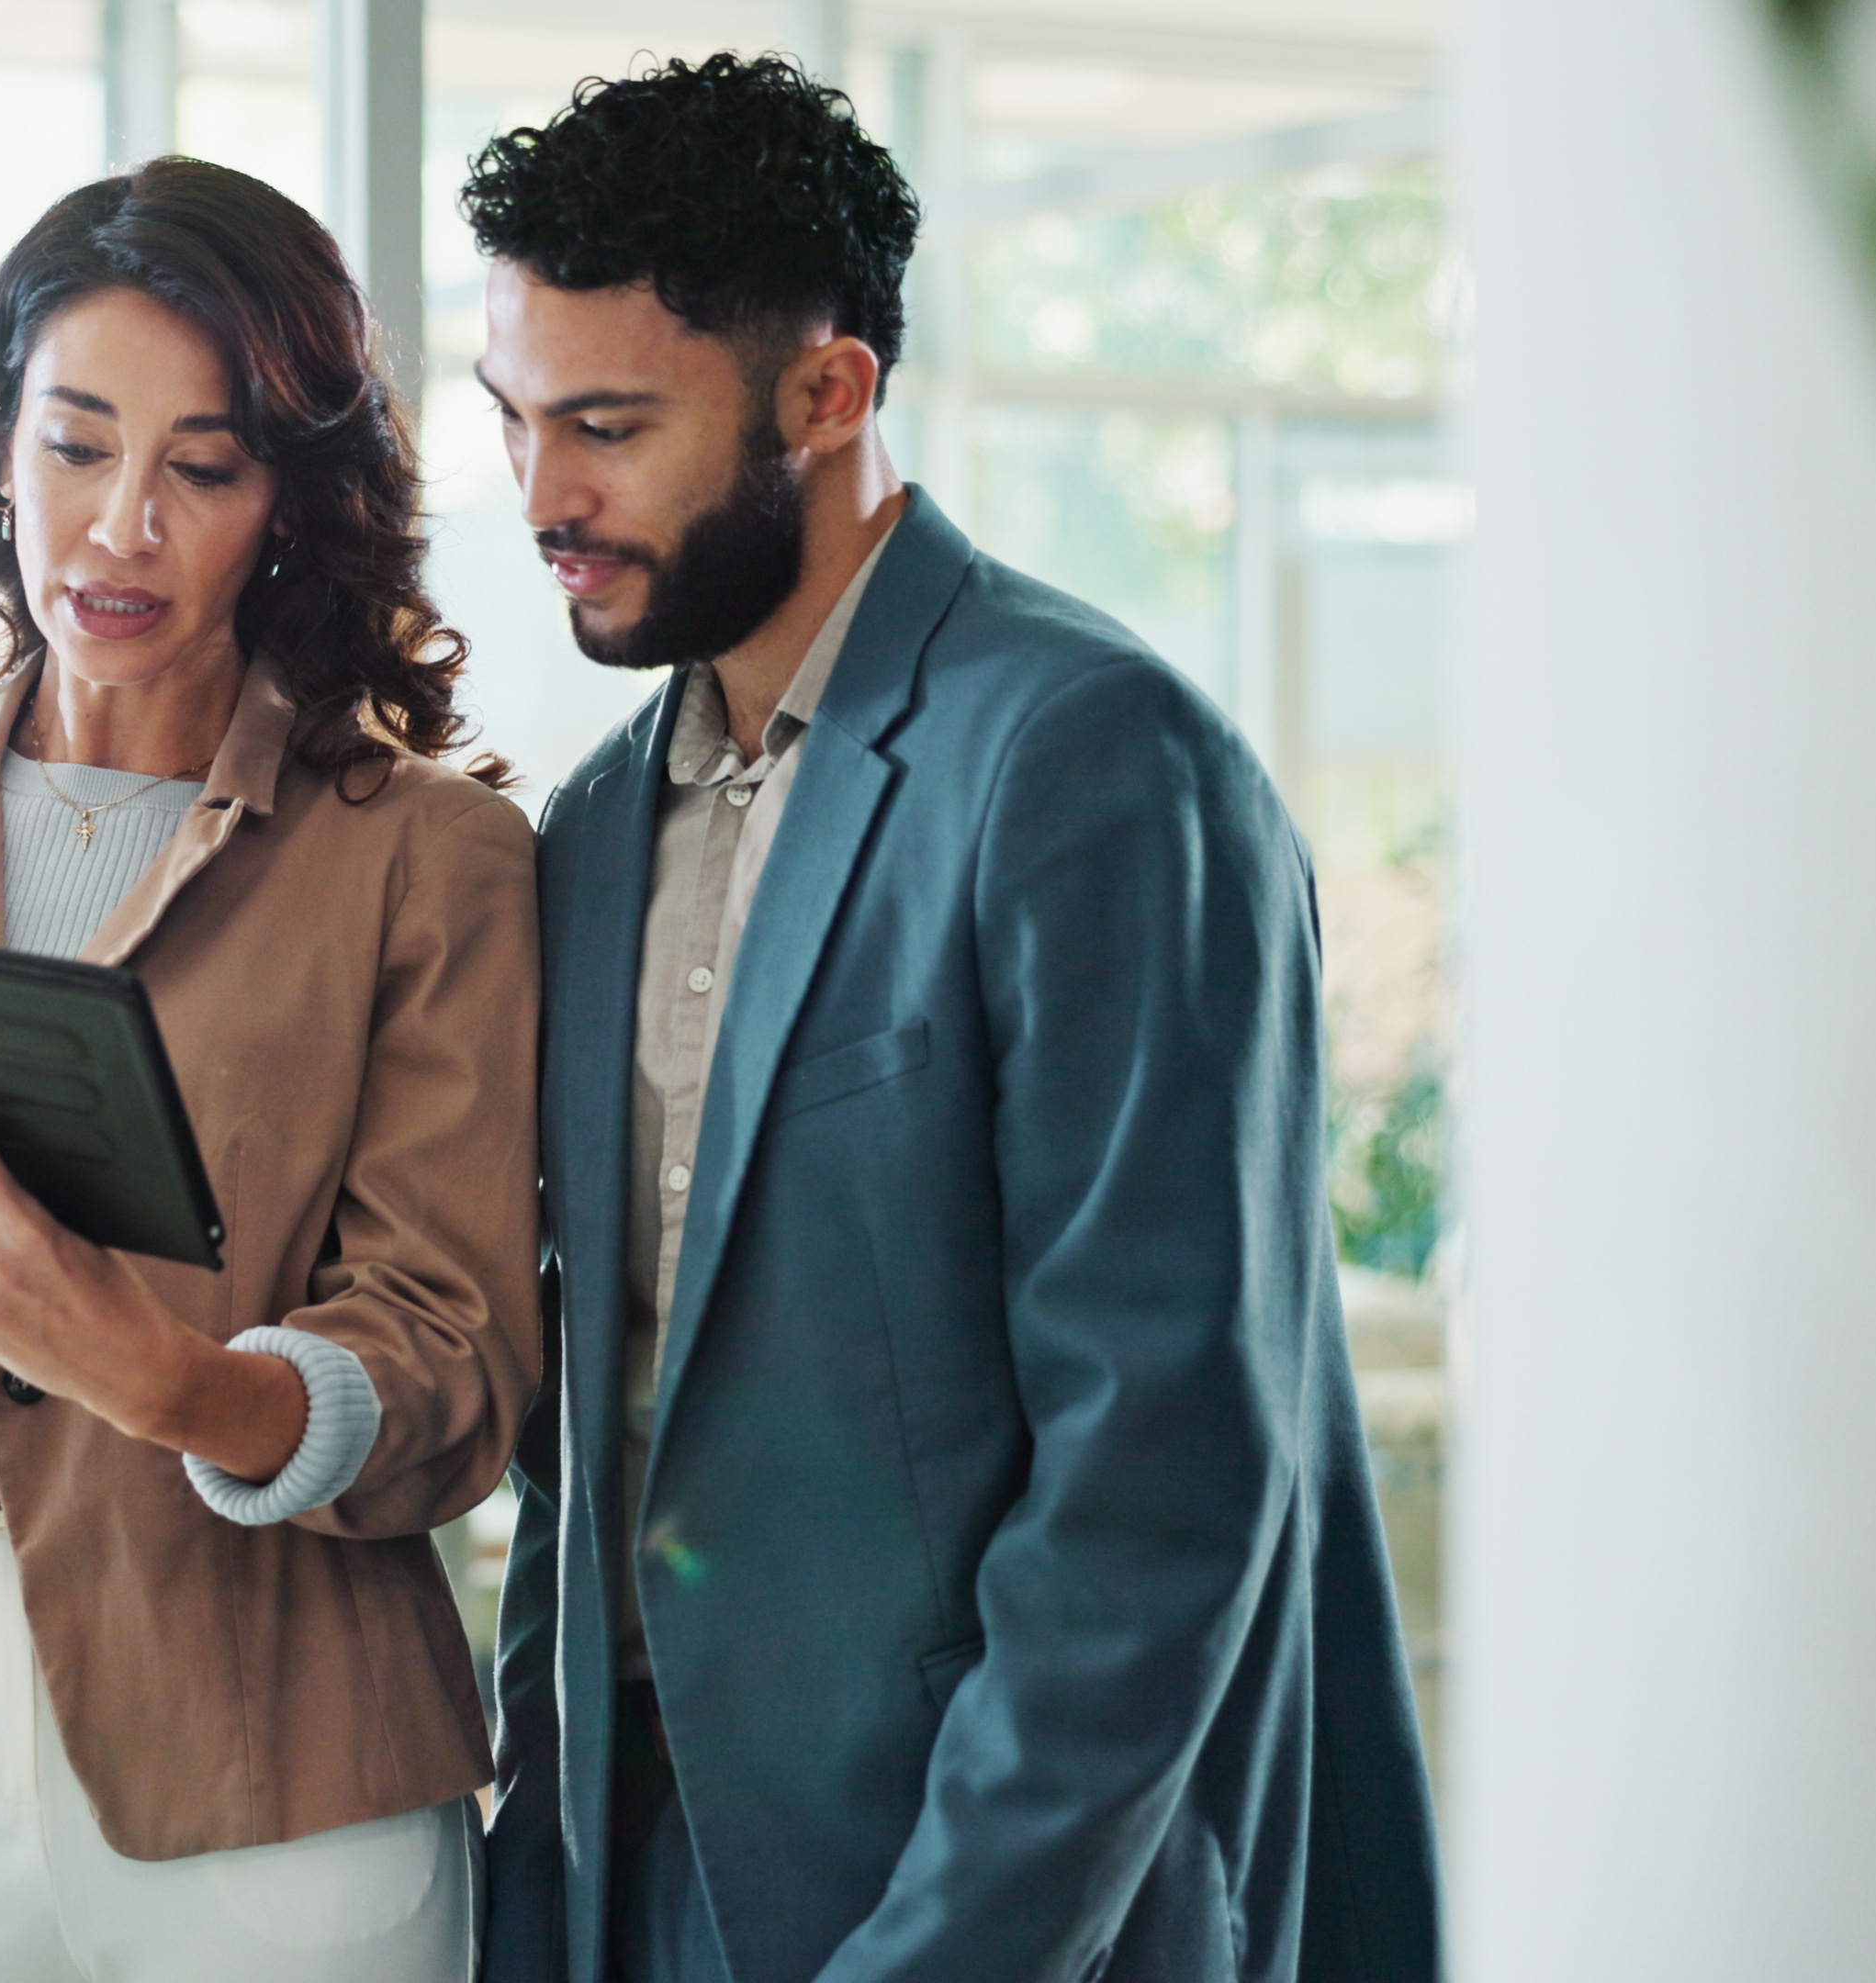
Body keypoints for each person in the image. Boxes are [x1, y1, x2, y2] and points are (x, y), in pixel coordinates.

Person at [459, 55, 1443, 1983]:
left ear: (826, 396)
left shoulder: (1088, 759)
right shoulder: (583, 830)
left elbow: (1155, 1489)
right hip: (633, 1891)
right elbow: (594, 1452)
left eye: (605, 426)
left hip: (986, 1903)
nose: (541, 498)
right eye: (510, 422)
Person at [0, 158, 539, 1983]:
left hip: (277, 1752)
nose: (118, 525)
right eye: (72, 445)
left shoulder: (420, 853)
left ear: (284, 496)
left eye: (198, 467)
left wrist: (169, 1380)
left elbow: (453, 1362)